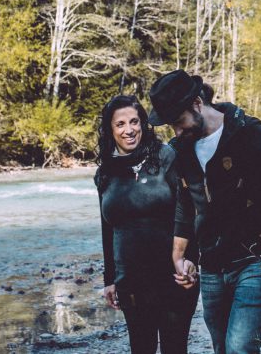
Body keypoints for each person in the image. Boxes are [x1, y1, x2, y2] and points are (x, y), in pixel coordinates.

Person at [148, 70, 261, 354]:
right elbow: (186, 202)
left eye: (178, 122)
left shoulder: (249, 132)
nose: (176, 132)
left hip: (256, 258)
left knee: (240, 348)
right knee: (221, 348)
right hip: (212, 266)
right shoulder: (183, 149)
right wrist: (179, 257)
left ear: (196, 104)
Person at [95, 94, 199, 354]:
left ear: (143, 123)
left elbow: (189, 211)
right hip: (130, 281)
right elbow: (108, 228)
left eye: (134, 121)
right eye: (120, 124)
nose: (129, 130)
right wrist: (110, 279)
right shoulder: (105, 172)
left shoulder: (166, 157)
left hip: (173, 277)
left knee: (174, 349)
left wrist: (191, 262)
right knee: (141, 348)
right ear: (110, 129)